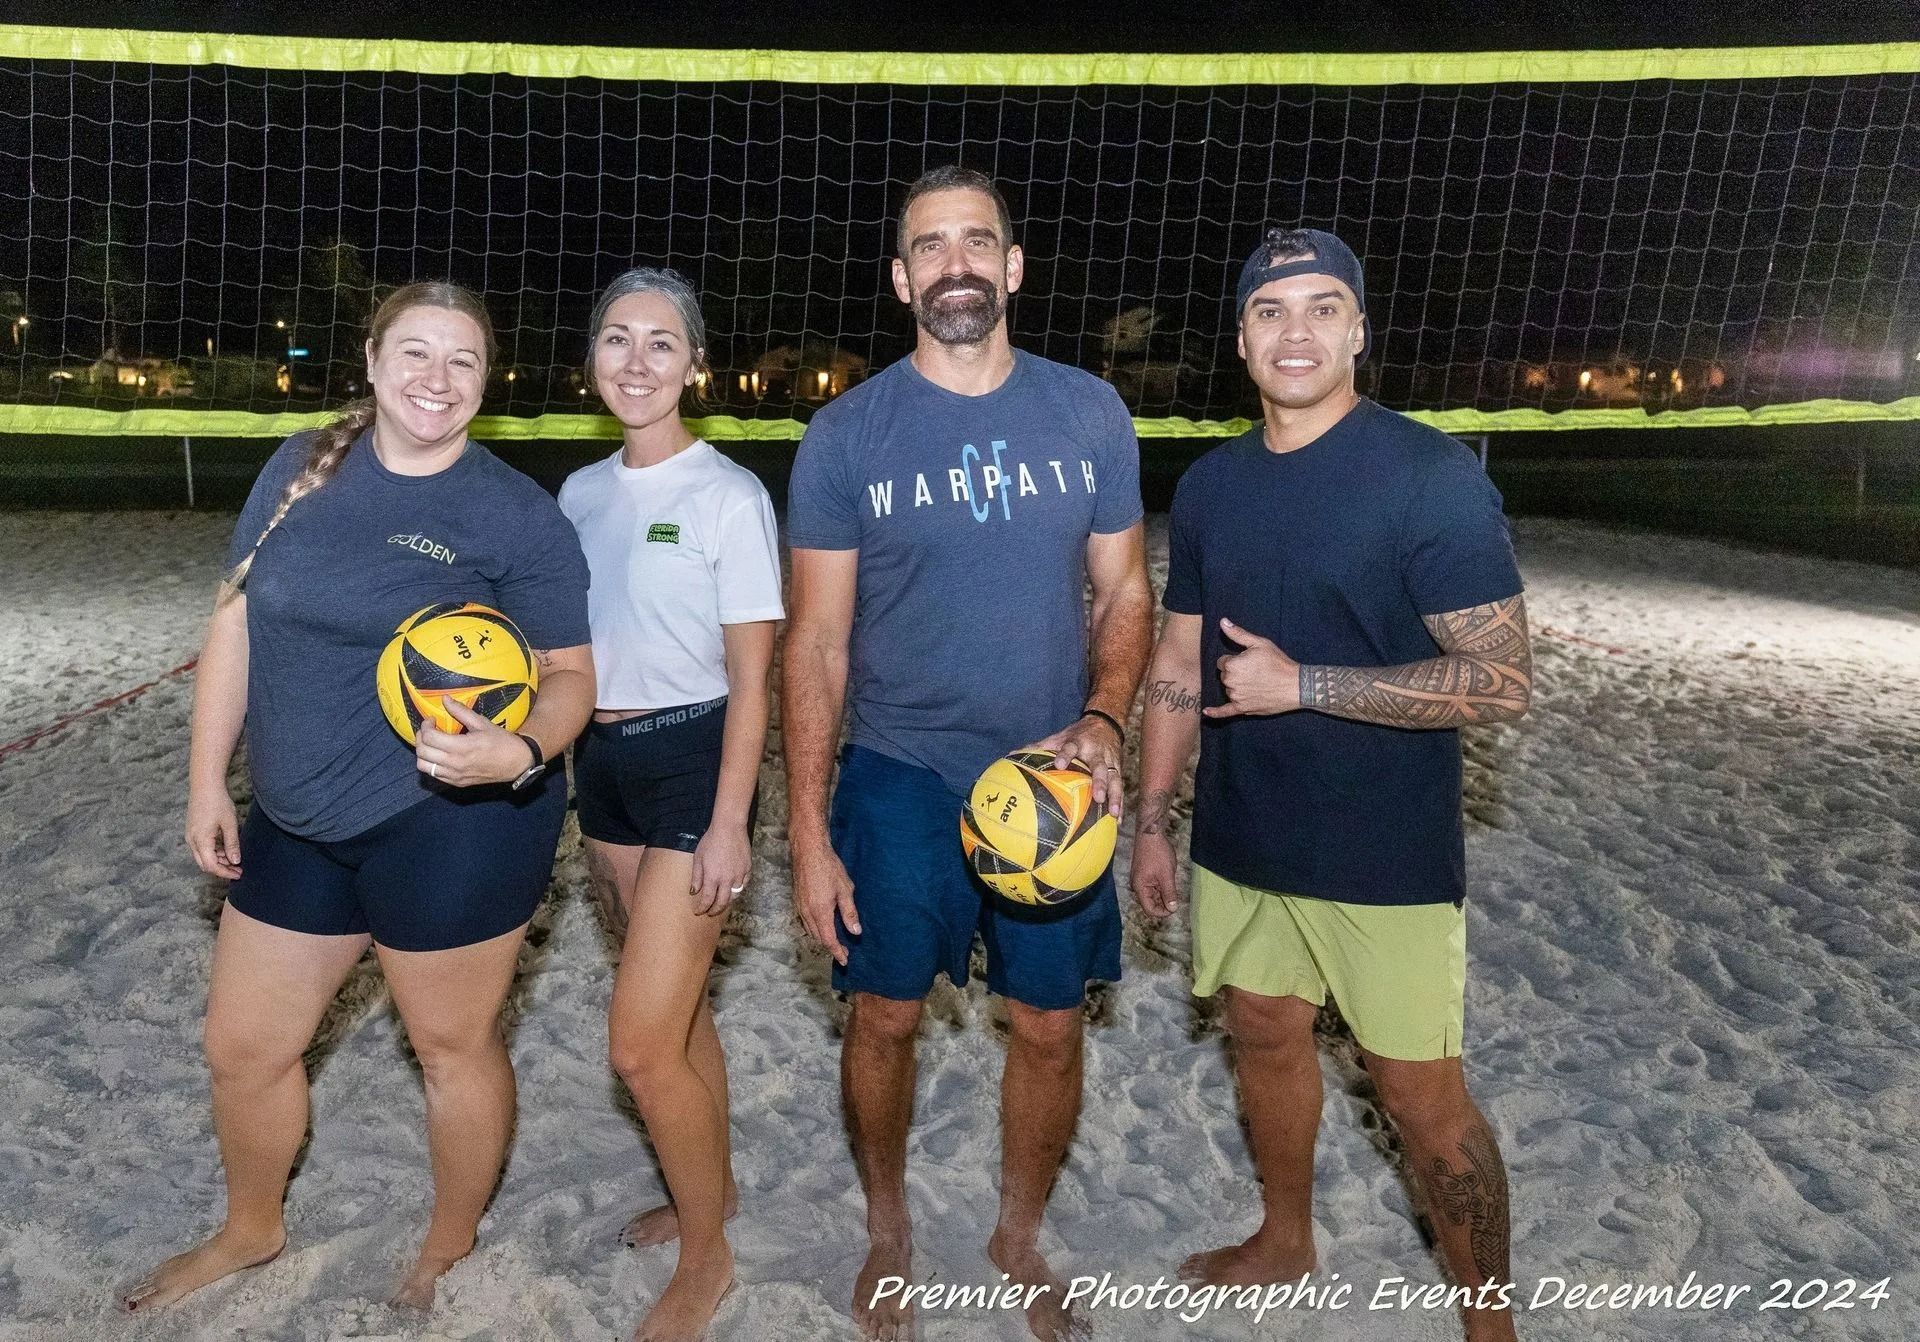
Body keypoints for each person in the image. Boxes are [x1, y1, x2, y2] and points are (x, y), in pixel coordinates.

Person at [123, 282, 595, 1314]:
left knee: (448, 1046)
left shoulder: (512, 513)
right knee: (242, 1050)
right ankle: (253, 1227)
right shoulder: (300, 467)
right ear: (373, 363)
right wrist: (207, 777)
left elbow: (572, 676)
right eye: (415, 353)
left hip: (455, 817)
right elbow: (236, 619)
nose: (436, 378)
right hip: (296, 812)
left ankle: (450, 1236)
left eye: (462, 360)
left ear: (488, 383)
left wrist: (517, 749)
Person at [1130, 227, 1532, 1342]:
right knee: (1262, 1031)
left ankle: (1489, 1323)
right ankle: (1286, 1236)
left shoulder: (1429, 476)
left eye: (1320, 308)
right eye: (1269, 311)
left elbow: (1500, 682)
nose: (1294, 331)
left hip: (1383, 850)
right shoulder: (1212, 484)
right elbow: (1174, 660)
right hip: (1243, 835)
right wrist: (1153, 817)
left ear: (1361, 328)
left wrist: (1302, 684)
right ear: (1241, 338)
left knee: (1419, 1099)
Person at [783, 165, 1154, 1342]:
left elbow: (1126, 590)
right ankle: (889, 1223)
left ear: (1014, 267)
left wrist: (1104, 719)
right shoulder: (848, 434)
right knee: (884, 1015)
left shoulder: (1088, 411)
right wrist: (802, 827)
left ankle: (1018, 1233)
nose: (956, 263)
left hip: (1053, 781)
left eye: (977, 241)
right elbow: (819, 642)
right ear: (901, 279)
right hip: (899, 773)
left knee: (1046, 1025)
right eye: (930, 246)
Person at [557, 267, 782, 1342]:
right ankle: (717, 1192)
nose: (636, 361)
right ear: (592, 357)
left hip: (698, 765)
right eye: (616, 339)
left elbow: (755, 679)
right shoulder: (580, 493)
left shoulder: (729, 495)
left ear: (693, 362)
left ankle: (708, 1256)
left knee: (639, 1046)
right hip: (600, 771)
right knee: (680, 1014)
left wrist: (735, 816)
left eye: (659, 342)